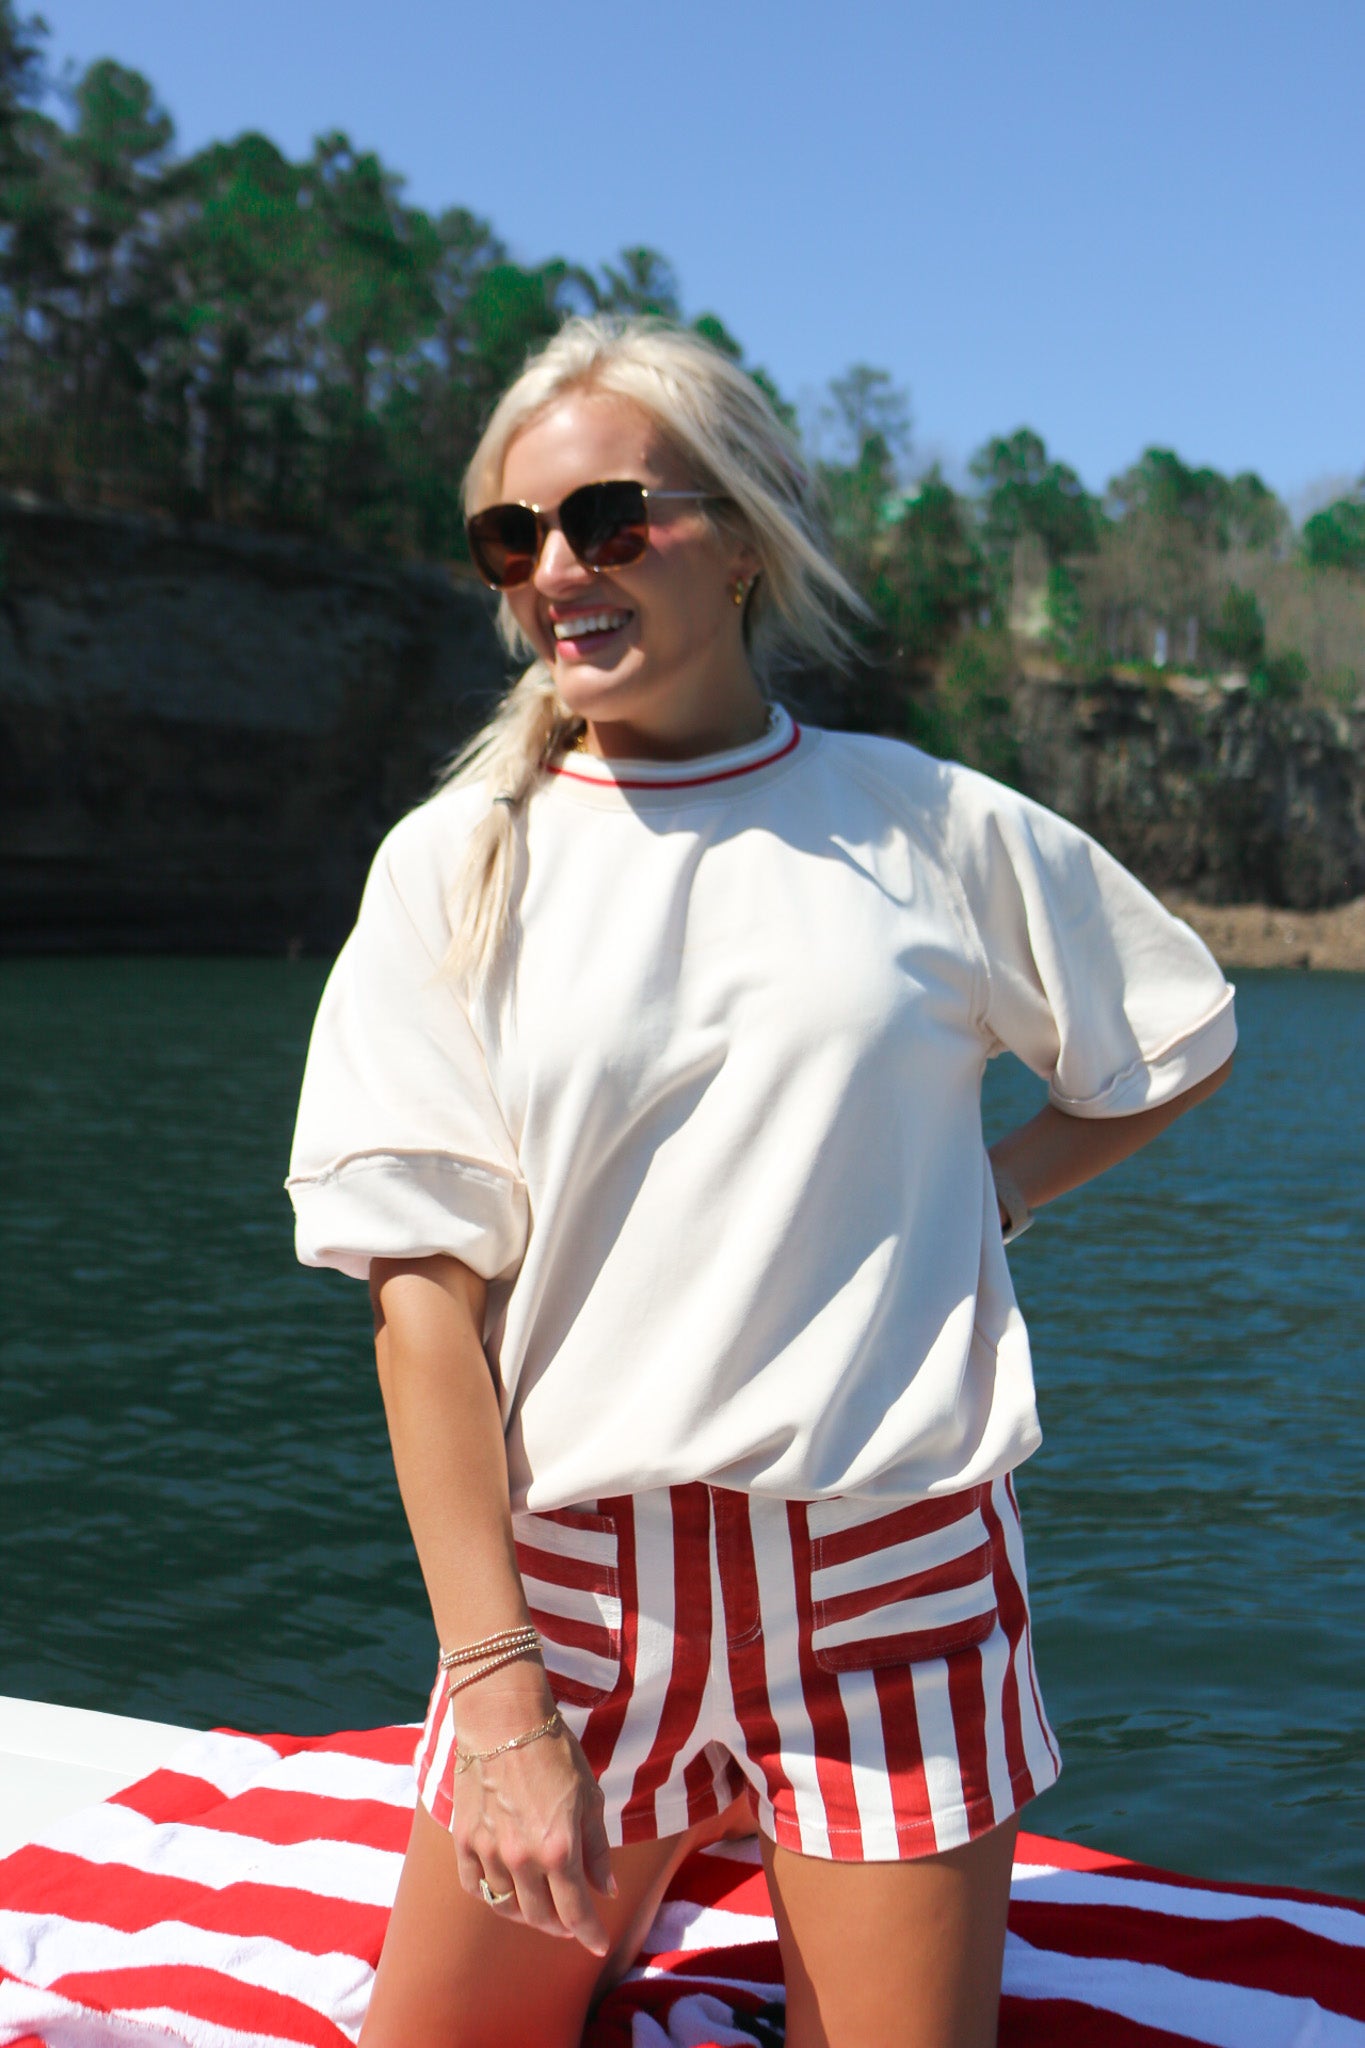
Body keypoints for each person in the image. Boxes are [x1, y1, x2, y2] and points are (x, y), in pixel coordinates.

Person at [286, 316, 1236, 2048]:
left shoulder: (929, 827)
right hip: (574, 1599)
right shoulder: (457, 865)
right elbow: (422, 1310)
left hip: (891, 1581)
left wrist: (990, 1198)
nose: (556, 571)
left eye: (608, 519)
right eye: (513, 536)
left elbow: (1168, 1043)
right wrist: (496, 1695)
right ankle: (652, 1830)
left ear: (740, 542)